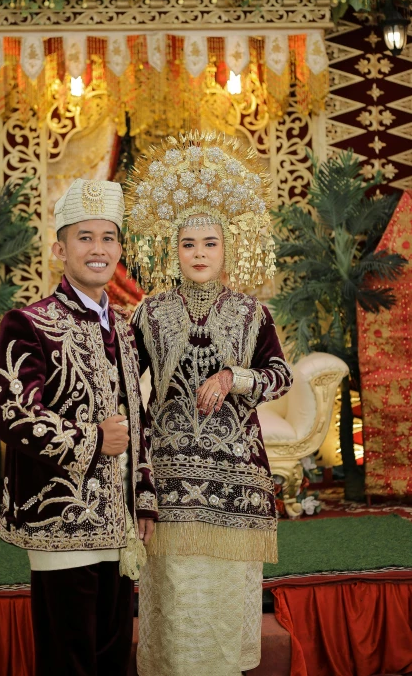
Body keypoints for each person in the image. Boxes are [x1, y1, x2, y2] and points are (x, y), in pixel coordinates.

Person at [125, 132, 293, 676]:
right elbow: (127, 387)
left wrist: (233, 376)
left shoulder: (252, 315)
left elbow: (280, 375)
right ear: (171, 249)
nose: (199, 254)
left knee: (223, 597)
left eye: (209, 243)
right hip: (169, 480)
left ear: (228, 248)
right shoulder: (148, 314)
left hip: (235, 483)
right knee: (175, 595)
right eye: (188, 244)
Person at [0, 178, 157, 676]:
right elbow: (11, 412)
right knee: (68, 662)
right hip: (57, 522)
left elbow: (138, 414)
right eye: (85, 238)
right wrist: (92, 439)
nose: (98, 249)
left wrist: (144, 493)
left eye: (108, 238)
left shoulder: (126, 328)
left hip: (119, 526)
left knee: (111, 659)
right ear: (60, 248)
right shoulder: (28, 322)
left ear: (120, 249)